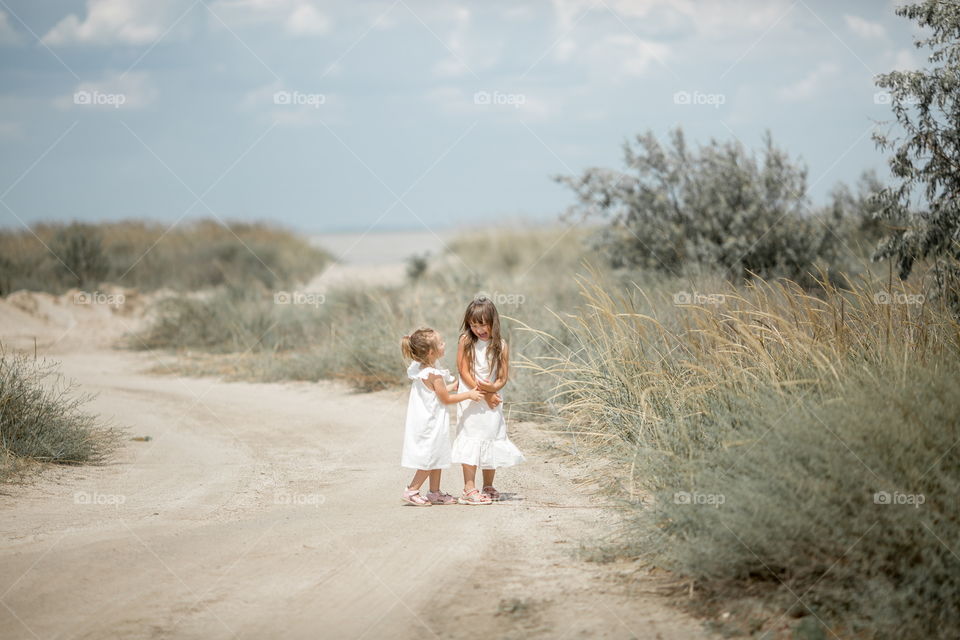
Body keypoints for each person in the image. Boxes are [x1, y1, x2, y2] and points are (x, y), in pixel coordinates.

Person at [451, 296, 525, 505]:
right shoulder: (466, 341)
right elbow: (463, 370)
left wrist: (493, 389)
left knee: (490, 437)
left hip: (492, 401)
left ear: (493, 321)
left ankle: (488, 485)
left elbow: (502, 377)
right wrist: (485, 393)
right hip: (472, 397)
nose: (478, 329)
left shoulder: (501, 345)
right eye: (473, 324)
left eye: (482, 324)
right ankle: (468, 488)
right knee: (471, 437)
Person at [400, 327, 483, 506]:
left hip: (427, 420)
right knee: (429, 458)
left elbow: (440, 391)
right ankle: (412, 490)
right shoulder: (434, 374)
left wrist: (455, 385)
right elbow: (445, 399)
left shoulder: (422, 369)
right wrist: (469, 395)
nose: (444, 344)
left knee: (436, 455)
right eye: (440, 343)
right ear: (431, 352)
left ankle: (434, 492)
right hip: (431, 423)